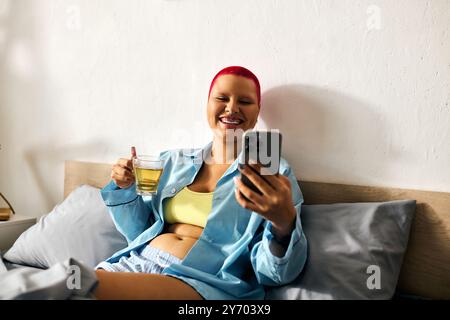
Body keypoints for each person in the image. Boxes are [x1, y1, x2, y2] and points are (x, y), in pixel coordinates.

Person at [94, 66, 307, 300]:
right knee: (73, 288)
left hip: (204, 281)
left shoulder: (272, 173)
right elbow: (139, 233)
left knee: (74, 284)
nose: (232, 108)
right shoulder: (171, 162)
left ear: (257, 115)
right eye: (222, 98)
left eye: (245, 101)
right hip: (137, 264)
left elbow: (275, 274)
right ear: (207, 105)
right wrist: (126, 190)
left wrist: (283, 224)